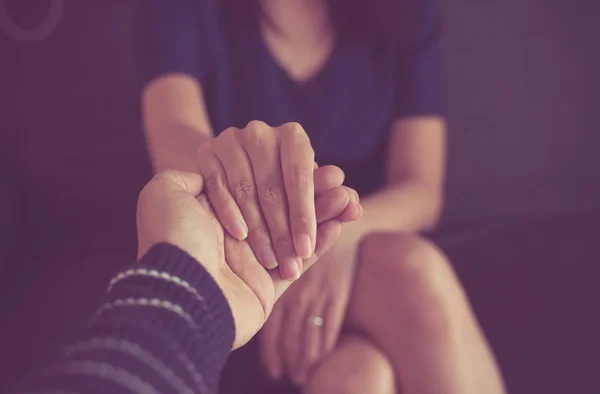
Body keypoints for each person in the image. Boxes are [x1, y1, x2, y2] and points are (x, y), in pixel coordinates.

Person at [132, 0, 506, 392]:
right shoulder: (180, 9)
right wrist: (230, 165)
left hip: (362, 263)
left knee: (359, 377)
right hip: (254, 270)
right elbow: (175, 138)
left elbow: (421, 190)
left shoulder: (406, 13)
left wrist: (338, 237)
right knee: (409, 277)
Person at [12, 166, 362, 394]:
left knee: (362, 373)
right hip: (247, 284)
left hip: (271, 278)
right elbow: (200, 167)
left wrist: (347, 237)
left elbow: (420, 186)